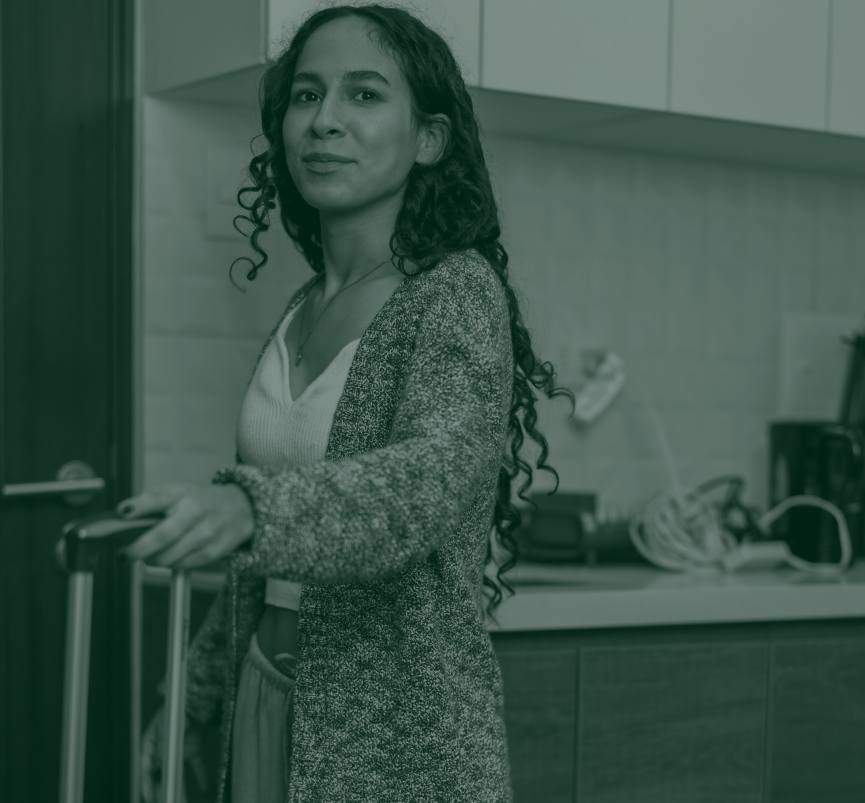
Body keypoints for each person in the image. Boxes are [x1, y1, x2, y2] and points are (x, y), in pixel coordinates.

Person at [118, 4, 574, 802]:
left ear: (428, 138)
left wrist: (248, 511)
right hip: (266, 693)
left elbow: (421, 485)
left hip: (397, 734)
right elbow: (270, 567)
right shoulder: (299, 309)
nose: (324, 120)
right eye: (306, 96)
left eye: (363, 96)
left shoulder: (456, 293)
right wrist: (189, 701)